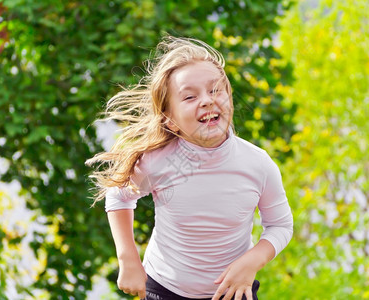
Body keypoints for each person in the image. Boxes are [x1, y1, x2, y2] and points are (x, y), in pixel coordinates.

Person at [86, 35, 293, 300]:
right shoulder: (161, 161)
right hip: (165, 288)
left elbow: (280, 225)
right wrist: (128, 260)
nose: (206, 100)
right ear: (170, 120)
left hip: (232, 291)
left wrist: (252, 262)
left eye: (215, 90)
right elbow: (119, 195)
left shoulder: (257, 164)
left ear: (229, 99)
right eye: (190, 96)